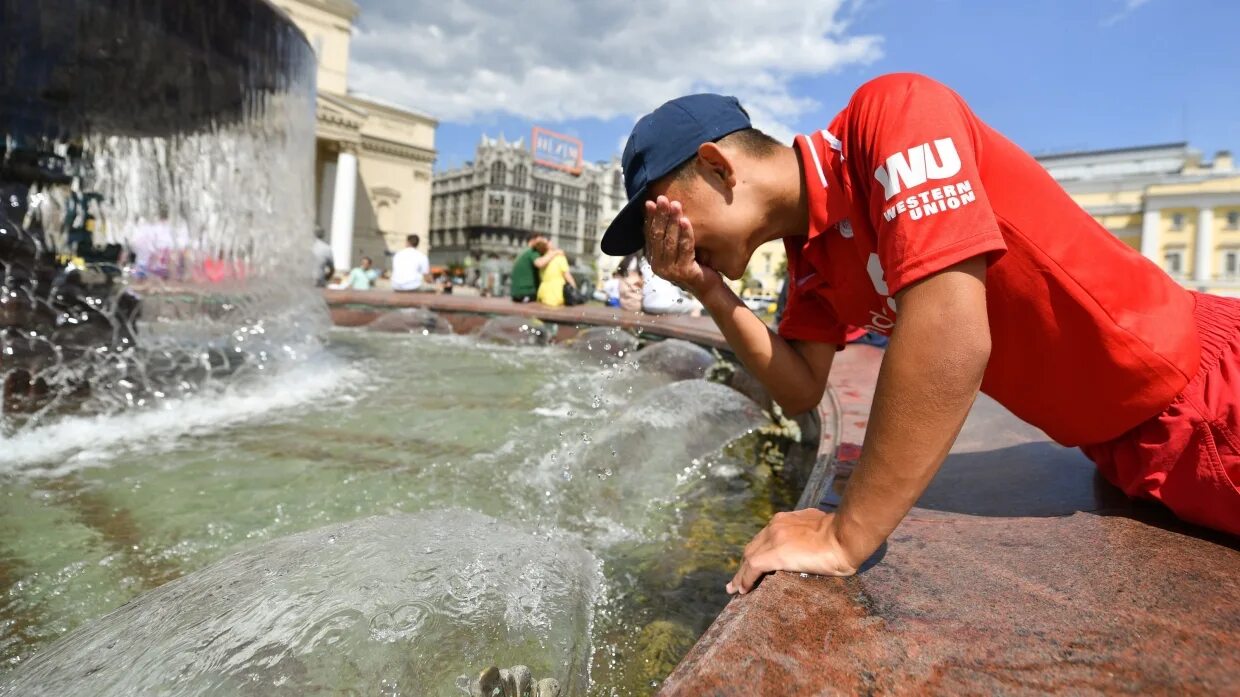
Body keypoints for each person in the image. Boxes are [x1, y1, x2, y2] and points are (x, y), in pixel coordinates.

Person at [599, 75, 1240, 596]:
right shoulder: (812, 256)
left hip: (1209, 392)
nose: (661, 246)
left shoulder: (892, 114)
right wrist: (709, 289)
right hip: (1123, 444)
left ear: (716, 165)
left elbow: (951, 335)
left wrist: (845, 534)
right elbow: (798, 390)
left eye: (659, 214)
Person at [510, 232, 559, 302]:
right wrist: (555, 253)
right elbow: (539, 263)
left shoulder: (524, 253)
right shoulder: (533, 252)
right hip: (526, 293)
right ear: (532, 241)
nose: (543, 244)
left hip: (517, 293)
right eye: (540, 241)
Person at [534, 240, 577, 307]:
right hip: (556, 292)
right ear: (548, 245)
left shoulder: (542, 258)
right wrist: (574, 287)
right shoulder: (560, 257)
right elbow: (567, 276)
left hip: (542, 292)